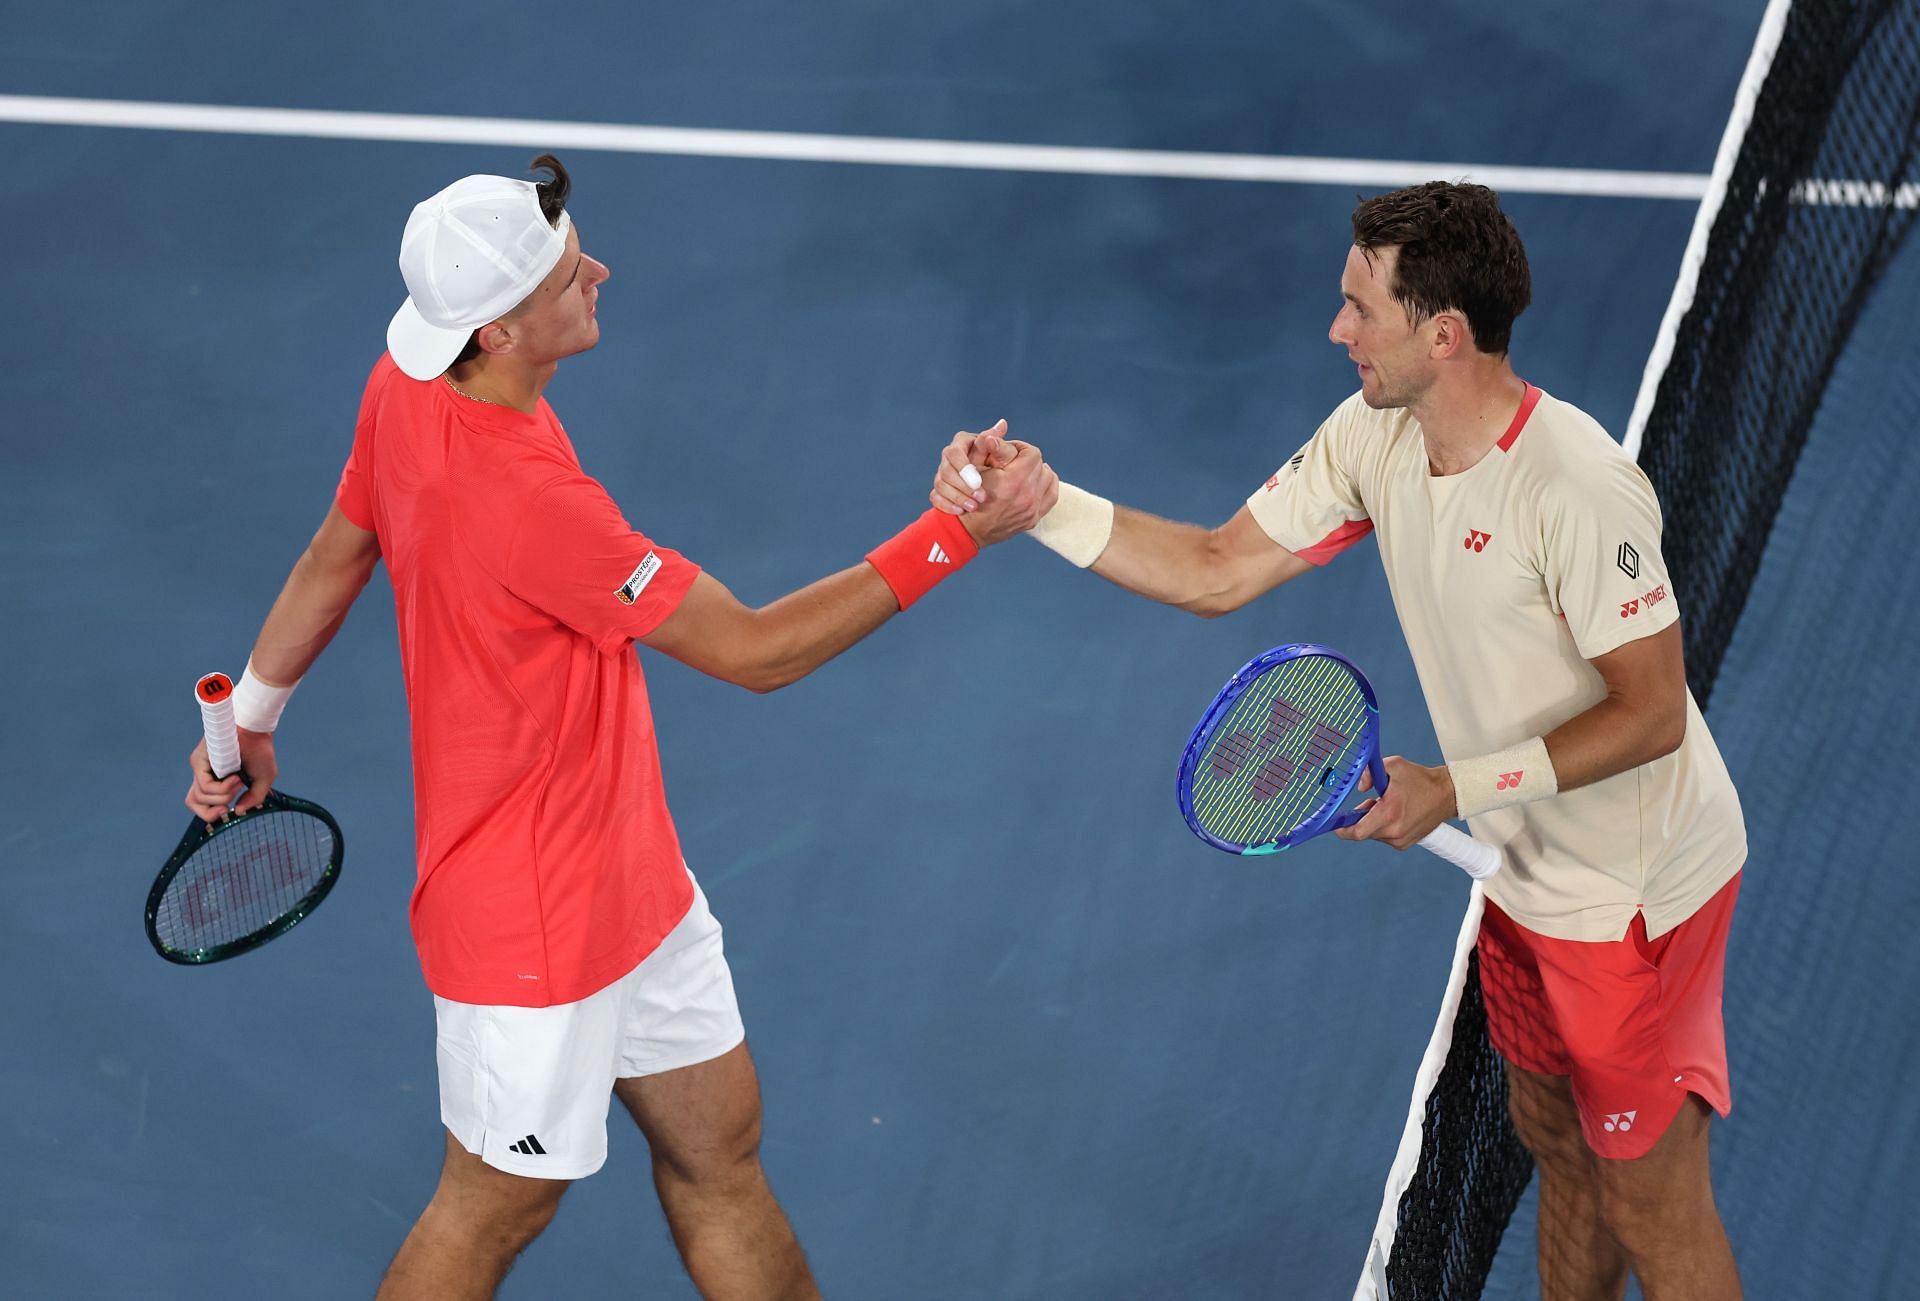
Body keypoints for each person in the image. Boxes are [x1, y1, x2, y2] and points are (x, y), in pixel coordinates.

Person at [183, 154, 1056, 1300]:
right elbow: (756, 650)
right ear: (495, 331)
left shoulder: (408, 384)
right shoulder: (536, 506)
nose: (599, 269)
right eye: (562, 274)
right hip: (527, 930)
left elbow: (335, 553)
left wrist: (250, 713)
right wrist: (953, 535)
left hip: (631, 880)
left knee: (719, 1153)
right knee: (492, 1208)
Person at [932, 181, 1746, 1301]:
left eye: (1362, 307)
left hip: (1636, 894)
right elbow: (1220, 566)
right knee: (1554, 1136)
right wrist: (1044, 504)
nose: (1336, 328)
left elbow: (1652, 713)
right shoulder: (1377, 432)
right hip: (1522, 870)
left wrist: (1455, 785)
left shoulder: (1577, 488)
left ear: (1443, 334)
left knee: (1653, 1200)